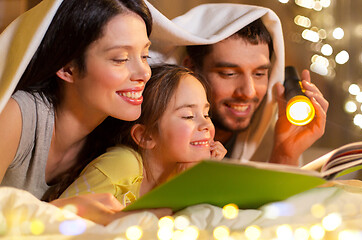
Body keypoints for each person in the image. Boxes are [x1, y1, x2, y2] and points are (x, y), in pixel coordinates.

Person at [0, 0, 170, 225]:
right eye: (120, 59)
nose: (143, 73)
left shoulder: (117, 139)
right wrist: (62, 211)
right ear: (67, 68)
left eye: (145, 56)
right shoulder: (19, 116)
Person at [147, 3, 329, 166]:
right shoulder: (147, 150)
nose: (248, 92)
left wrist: (285, 153)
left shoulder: (265, 140)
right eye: (229, 74)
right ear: (191, 69)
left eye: (259, 74)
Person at [60, 64, 227, 206]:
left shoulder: (181, 172)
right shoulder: (123, 164)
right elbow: (58, 218)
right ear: (146, 136)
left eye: (206, 114)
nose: (206, 125)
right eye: (188, 116)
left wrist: (202, 178)